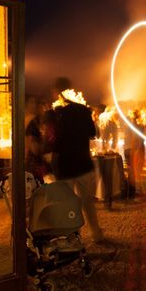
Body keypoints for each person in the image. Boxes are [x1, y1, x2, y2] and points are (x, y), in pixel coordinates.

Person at [52, 79, 104, 242]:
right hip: (82, 162)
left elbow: (55, 139)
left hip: (65, 164)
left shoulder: (57, 113)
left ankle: (71, 237)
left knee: (67, 204)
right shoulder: (83, 110)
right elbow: (93, 133)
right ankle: (96, 233)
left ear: (58, 92)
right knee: (87, 202)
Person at [123, 110, 145, 197]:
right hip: (133, 149)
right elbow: (136, 139)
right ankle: (133, 190)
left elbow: (131, 139)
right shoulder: (138, 127)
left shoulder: (128, 126)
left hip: (129, 149)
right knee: (135, 171)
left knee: (131, 170)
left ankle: (132, 190)